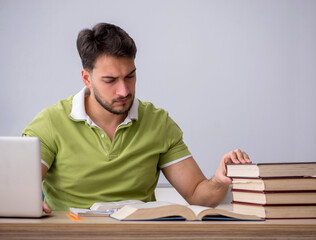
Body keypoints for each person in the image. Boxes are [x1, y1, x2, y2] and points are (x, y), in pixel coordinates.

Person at [22, 23, 251, 213]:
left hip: (140, 234)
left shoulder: (158, 123)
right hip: (71, 235)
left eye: (130, 76)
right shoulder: (51, 123)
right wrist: (27, 204)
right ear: (86, 78)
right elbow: (17, 192)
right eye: (110, 80)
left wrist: (219, 180)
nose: (124, 91)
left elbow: (198, 195)